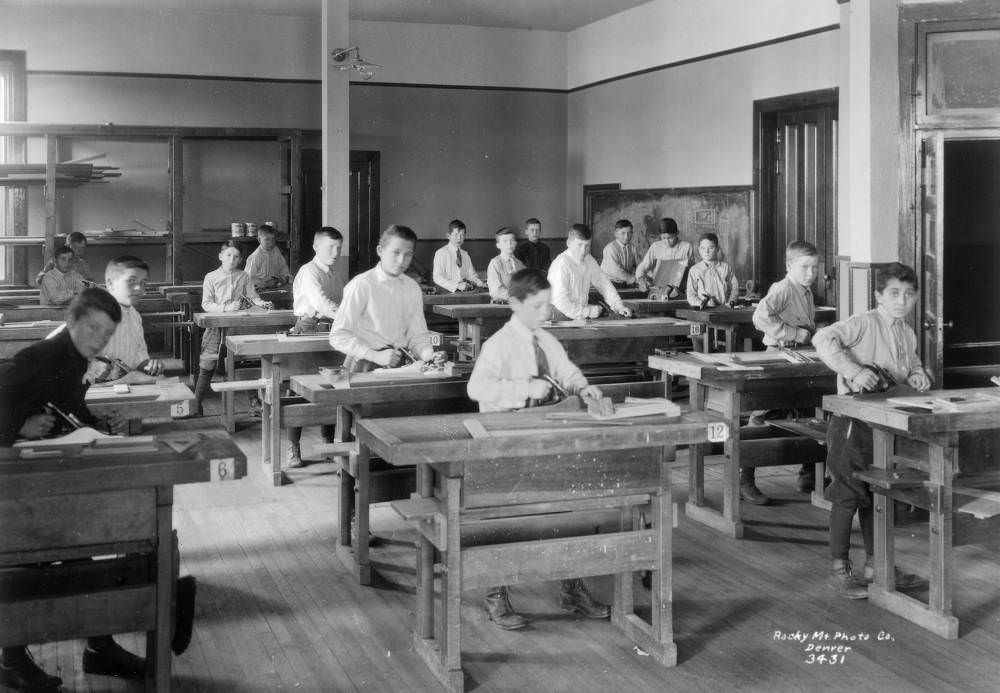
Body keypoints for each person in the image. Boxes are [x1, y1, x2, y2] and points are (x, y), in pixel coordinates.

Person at [0, 289, 146, 690]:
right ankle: (11, 658)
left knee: (87, 553)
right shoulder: (37, 357)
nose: (100, 338)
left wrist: (98, 425)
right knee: (32, 565)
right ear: (71, 321)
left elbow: (65, 408)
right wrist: (19, 425)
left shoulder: (78, 358)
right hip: (17, 487)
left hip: (57, 477)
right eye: (93, 328)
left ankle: (100, 646)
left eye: (107, 332)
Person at [467, 268, 612, 629]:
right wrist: (524, 390)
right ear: (514, 304)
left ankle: (572, 588)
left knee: (569, 509)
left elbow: (566, 371)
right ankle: (496, 595)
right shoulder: (498, 345)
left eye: (548, 305)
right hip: (507, 443)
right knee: (506, 519)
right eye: (537, 306)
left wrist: (584, 388)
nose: (545, 313)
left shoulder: (546, 339)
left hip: (547, 437)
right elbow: (477, 389)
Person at [813, 262, 931, 599]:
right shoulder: (864, 323)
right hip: (852, 423)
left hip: (885, 425)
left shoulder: (907, 333)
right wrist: (852, 370)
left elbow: (912, 366)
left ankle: (875, 565)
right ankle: (839, 568)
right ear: (879, 295)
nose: (901, 300)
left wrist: (918, 376)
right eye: (894, 293)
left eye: (909, 294)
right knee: (847, 493)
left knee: (878, 492)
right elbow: (823, 338)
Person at [330, 225, 447, 544]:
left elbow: (419, 333)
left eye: (408, 254)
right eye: (396, 252)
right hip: (365, 367)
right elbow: (338, 335)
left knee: (413, 437)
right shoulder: (361, 285)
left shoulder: (411, 287)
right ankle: (355, 520)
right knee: (365, 449)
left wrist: (428, 355)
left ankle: (426, 517)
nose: (402, 259)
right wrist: (377, 356)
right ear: (381, 250)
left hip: (402, 366)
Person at [744, 240, 820, 504]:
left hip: (799, 358)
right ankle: (745, 479)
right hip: (778, 356)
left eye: (814, 267)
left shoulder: (806, 291)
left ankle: (809, 473)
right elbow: (759, 317)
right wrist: (793, 333)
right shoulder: (783, 288)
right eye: (805, 267)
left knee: (810, 410)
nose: (811, 273)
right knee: (763, 413)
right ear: (789, 266)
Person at [49, 256, 165, 384]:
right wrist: (90, 365)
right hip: (87, 389)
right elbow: (55, 355)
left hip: (121, 384)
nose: (139, 288)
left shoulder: (134, 315)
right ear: (110, 284)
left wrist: (150, 364)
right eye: (131, 281)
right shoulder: (95, 312)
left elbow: (139, 359)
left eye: (143, 283)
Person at [285, 227, 345, 468]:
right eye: (330, 247)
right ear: (316, 246)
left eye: (339, 248)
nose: (336, 252)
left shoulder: (336, 274)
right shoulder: (308, 271)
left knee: (331, 383)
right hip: (307, 328)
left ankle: (328, 442)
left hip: (331, 329)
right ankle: (293, 447)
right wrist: (348, 316)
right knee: (297, 387)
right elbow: (322, 303)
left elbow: (342, 301)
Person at [190, 241, 272, 418]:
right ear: (220, 256)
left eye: (236, 257)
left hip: (237, 328)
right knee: (207, 365)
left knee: (243, 363)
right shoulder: (211, 277)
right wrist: (225, 308)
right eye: (228, 255)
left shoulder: (244, 276)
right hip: (215, 327)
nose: (232, 260)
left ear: (240, 259)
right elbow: (206, 304)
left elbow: (252, 297)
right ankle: (196, 404)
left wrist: (261, 303)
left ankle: (254, 404)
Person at [547, 223, 633, 321]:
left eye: (587, 246)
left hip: (579, 316)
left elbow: (603, 284)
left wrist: (618, 306)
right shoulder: (561, 264)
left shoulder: (589, 259)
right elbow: (560, 302)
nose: (583, 251)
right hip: (559, 317)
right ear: (568, 243)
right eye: (579, 245)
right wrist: (588, 312)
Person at [686, 232, 739, 351]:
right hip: (701, 314)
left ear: (718, 249)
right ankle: (701, 363)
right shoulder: (695, 270)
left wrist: (730, 302)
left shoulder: (725, 267)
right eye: (703, 248)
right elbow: (690, 294)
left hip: (723, 312)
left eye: (711, 248)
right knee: (697, 337)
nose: (707, 251)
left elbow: (734, 288)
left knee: (732, 335)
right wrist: (702, 303)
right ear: (699, 250)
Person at [634, 217, 694, 295]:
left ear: (677, 233)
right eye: (663, 238)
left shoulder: (686, 247)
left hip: (680, 290)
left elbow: (693, 271)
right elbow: (642, 267)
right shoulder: (656, 246)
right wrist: (641, 280)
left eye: (670, 238)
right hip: (659, 289)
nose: (667, 241)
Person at [432, 219, 486, 292]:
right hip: (446, 292)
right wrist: (457, 285)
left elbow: (472, 275)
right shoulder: (441, 253)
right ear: (448, 235)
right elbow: (437, 277)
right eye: (456, 234)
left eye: (462, 235)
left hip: (463, 292)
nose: (459, 238)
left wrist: (481, 283)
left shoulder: (465, 254)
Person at [244, 223, 291, 290]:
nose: (271, 242)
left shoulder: (276, 251)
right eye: (267, 239)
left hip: (277, 287)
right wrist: (265, 284)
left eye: (273, 239)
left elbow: (283, 268)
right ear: (259, 240)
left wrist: (285, 278)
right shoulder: (255, 257)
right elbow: (247, 279)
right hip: (260, 291)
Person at [486, 226, 526, 302]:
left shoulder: (519, 263)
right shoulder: (495, 263)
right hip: (501, 305)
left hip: (519, 304)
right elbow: (496, 291)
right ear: (498, 245)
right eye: (505, 241)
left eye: (512, 240)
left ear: (516, 243)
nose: (509, 244)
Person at [599, 219, 639, 287]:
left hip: (624, 283)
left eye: (629, 233)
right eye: (623, 233)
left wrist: (644, 275)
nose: (626, 236)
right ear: (616, 234)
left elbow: (639, 265)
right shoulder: (610, 248)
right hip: (609, 284)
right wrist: (634, 279)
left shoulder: (632, 248)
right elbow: (616, 271)